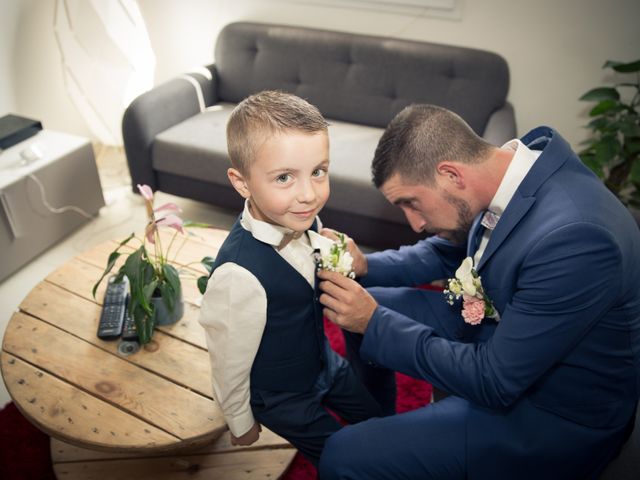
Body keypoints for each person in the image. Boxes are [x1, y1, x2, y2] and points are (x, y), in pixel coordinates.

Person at [316, 104, 640, 479]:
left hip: (552, 412)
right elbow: (447, 248)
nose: (415, 223)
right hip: (503, 328)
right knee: (364, 312)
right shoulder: (511, 173)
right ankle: (381, 425)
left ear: (451, 174)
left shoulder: (575, 239)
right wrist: (367, 266)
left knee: (342, 455)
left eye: (411, 203)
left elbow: (495, 381)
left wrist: (375, 323)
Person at [197, 90, 382, 467]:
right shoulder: (238, 275)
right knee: (342, 458)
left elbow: (308, 261)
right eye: (284, 177)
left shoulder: (301, 218)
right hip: (282, 395)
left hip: (325, 362)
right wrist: (239, 418)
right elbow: (228, 357)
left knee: (379, 425)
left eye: (318, 171)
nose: (309, 195)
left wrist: (331, 253)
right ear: (242, 182)